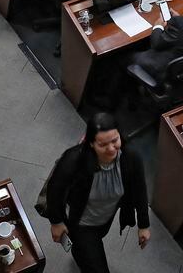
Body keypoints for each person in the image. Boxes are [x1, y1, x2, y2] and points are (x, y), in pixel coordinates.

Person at [45, 112, 151, 273]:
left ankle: (80, 254)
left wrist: (144, 225)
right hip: (80, 223)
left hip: (104, 219)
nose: (111, 149)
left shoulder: (131, 158)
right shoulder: (74, 160)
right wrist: (56, 222)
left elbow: (140, 190)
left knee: (87, 250)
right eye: (103, 144)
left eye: (115, 140)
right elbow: (54, 189)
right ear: (91, 143)